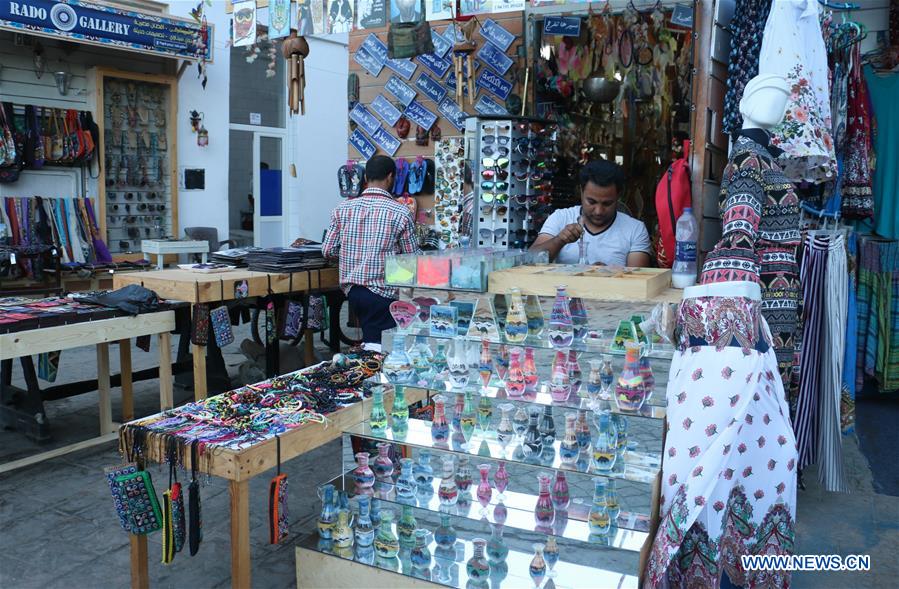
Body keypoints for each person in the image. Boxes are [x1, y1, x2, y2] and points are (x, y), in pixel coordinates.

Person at [322, 155, 420, 345]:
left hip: (353, 292)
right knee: (379, 349)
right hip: (383, 293)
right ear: (391, 177)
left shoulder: (343, 209)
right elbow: (412, 259)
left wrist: (350, 254)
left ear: (365, 177)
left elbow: (328, 250)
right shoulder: (400, 212)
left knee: (372, 342)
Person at [529, 159, 652, 267]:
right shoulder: (560, 218)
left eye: (607, 203)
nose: (598, 211)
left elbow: (637, 280)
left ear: (618, 196)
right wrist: (559, 240)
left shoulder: (635, 229)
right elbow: (529, 261)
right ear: (581, 192)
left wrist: (611, 274)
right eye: (591, 202)